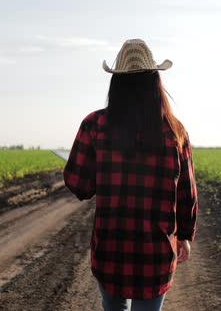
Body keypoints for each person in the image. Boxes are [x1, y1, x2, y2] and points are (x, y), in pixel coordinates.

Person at [63, 38, 198, 311]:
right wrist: (184, 236)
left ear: (117, 83)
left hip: (110, 249)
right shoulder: (175, 132)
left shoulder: (94, 125)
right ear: (155, 84)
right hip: (156, 253)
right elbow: (187, 192)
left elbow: (80, 186)